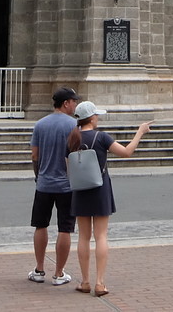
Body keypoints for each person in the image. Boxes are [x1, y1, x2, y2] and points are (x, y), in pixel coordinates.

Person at [67, 101, 152, 297]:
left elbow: (68, 167)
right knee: (101, 236)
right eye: (96, 115)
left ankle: (85, 281)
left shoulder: (72, 138)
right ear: (91, 118)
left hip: (80, 189)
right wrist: (140, 132)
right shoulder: (101, 137)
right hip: (100, 188)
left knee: (83, 237)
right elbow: (126, 152)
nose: (98, 118)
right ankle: (99, 283)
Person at [28, 87, 81, 286]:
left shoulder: (40, 124)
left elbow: (35, 155)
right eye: (74, 102)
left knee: (40, 225)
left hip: (44, 183)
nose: (75, 105)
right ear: (66, 103)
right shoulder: (74, 125)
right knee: (65, 228)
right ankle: (59, 273)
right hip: (66, 185)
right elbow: (76, 155)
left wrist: (39, 175)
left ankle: (39, 269)